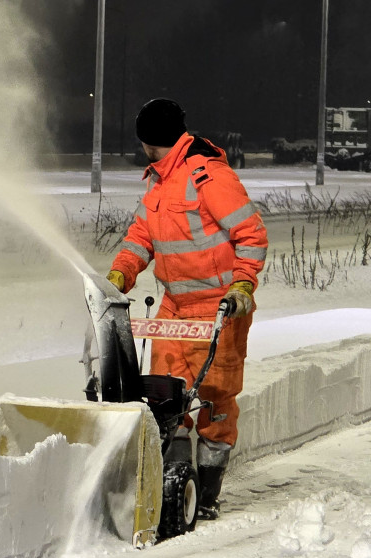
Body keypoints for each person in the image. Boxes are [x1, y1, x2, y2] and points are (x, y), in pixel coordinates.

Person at [106, 98, 268, 519]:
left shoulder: (208, 175)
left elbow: (251, 235)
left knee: (214, 400)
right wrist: (121, 273)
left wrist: (243, 284)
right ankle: (174, 485)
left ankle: (207, 493)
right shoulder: (158, 181)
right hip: (174, 307)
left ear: (148, 141)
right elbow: (141, 235)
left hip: (219, 307)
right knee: (165, 396)